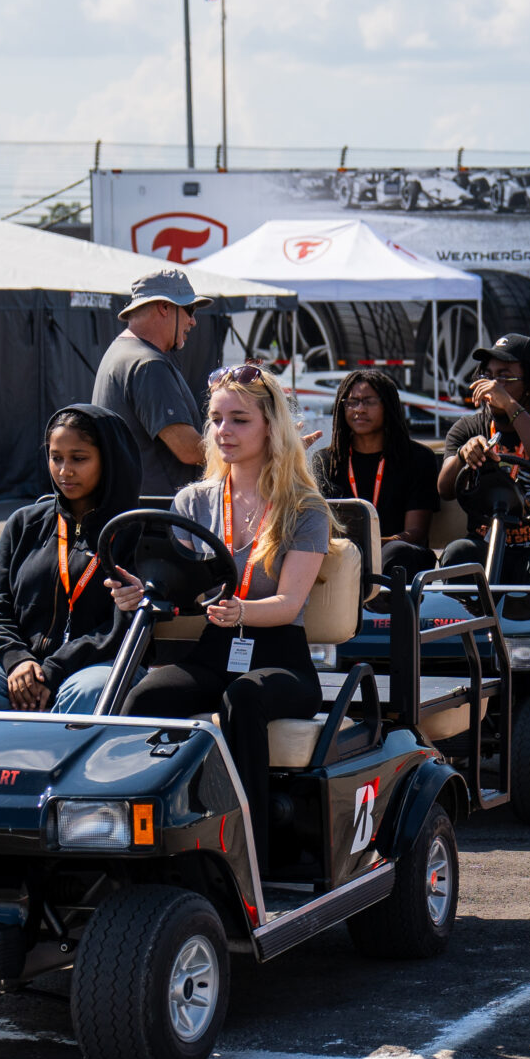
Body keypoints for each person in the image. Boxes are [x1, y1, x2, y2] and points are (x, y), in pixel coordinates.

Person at [111, 365, 335, 869]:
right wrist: (139, 595)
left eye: (238, 420)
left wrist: (242, 609)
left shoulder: (303, 508)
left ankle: (250, 846)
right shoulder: (194, 501)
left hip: (280, 657)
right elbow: (180, 589)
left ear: (269, 427)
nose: (223, 432)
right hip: (215, 650)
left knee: (243, 697)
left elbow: (289, 606)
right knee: (146, 694)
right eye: (215, 420)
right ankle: (141, 832)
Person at [0, 405, 141, 716]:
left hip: (97, 665)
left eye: (79, 459)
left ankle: (61, 767)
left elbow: (122, 627)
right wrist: (17, 659)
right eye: (56, 458)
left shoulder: (135, 531)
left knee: (91, 690)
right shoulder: (25, 523)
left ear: (109, 461)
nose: (65, 470)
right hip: (20, 666)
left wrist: (53, 670)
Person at [436, 334, 530, 586]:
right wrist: (463, 455)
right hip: (486, 544)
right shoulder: (468, 429)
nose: (492, 385)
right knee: (457, 554)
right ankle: (472, 624)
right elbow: (445, 489)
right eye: (488, 375)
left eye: (504, 377)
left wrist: (511, 406)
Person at [312, 369, 440, 577]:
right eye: (352, 402)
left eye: (369, 401)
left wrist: (369, 545)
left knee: (397, 552)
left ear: (388, 406)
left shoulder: (418, 458)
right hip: (341, 556)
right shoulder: (325, 461)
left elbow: (416, 533)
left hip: (399, 557)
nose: (359, 409)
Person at [94, 270, 208, 497]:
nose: (193, 321)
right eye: (189, 309)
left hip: (133, 511)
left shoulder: (121, 352)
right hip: (156, 518)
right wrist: (260, 448)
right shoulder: (148, 364)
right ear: (164, 307)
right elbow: (188, 449)